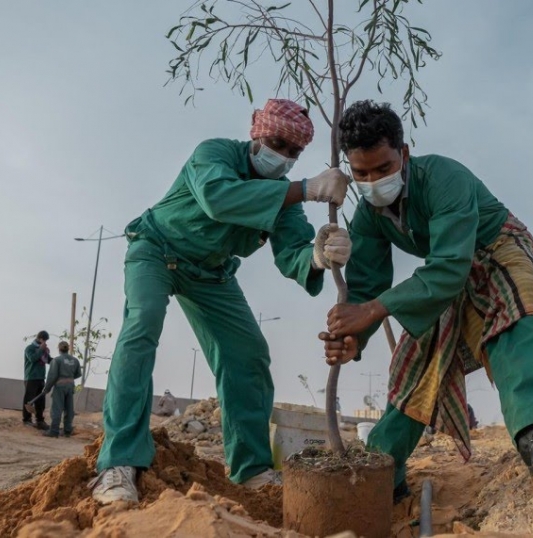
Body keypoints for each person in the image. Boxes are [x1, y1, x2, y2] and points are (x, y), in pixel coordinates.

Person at [321, 100, 533, 504]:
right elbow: (367, 286)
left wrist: (372, 310)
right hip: (444, 271)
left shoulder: (445, 178)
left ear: (404, 154)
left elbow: (449, 267)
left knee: (515, 317)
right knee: (419, 357)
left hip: (496, 246)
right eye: (361, 173)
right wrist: (353, 339)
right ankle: (382, 468)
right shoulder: (369, 216)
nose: (373, 180)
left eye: (383, 168)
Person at [90, 99, 352, 504]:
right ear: (255, 132)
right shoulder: (213, 154)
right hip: (156, 250)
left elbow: (293, 255)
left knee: (247, 354)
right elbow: (219, 198)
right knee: (142, 327)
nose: (282, 156)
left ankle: (250, 470)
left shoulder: (284, 200)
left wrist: (318, 255)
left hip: (210, 274)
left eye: (293, 152)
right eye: (276, 143)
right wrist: (306, 189)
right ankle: (118, 464)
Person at [42, 342, 82, 438]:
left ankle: (54, 431)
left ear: (59, 349)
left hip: (60, 387)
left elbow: (52, 376)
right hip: (70, 386)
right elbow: (78, 374)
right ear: (68, 349)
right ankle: (67, 430)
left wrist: (46, 388)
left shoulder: (56, 360)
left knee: (57, 408)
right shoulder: (75, 360)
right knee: (69, 408)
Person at [23, 330, 51, 429]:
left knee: (40, 401)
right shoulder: (29, 348)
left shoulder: (44, 350)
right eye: (44, 340)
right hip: (31, 377)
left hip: (41, 378)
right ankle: (27, 419)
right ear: (40, 338)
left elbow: (48, 360)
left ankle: (40, 420)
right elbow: (32, 359)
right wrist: (40, 350)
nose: (45, 342)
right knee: (29, 400)